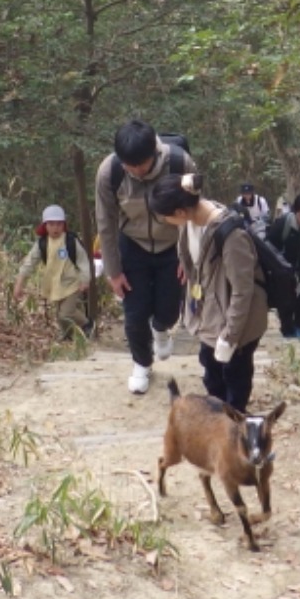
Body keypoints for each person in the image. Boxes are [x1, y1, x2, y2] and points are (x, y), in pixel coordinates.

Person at [150, 174, 268, 412]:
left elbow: (242, 291)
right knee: (212, 378)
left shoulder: (231, 235)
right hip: (209, 316)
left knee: (234, 381)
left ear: (181, 211)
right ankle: (217, 430)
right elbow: (193, 258)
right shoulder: (190, 223)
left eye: (166, 215)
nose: (165, 220)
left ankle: (236, 435)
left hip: (236, 324)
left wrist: (230, 335)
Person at [95, 119, 197, 395]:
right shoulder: (110, 172)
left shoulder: (180, 164)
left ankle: (161, 328)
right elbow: (105, 222)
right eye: (131, 166)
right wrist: (113, 271)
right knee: (134, 314)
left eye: (142, 164)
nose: (137, 171)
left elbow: (195, 215)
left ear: (154, 151)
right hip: (133, 245)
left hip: (172, 245)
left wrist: (189, 259)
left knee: (168, 309)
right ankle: (142, 364)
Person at [12, 205, 90, 337]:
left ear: (63, 225)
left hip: (72, 284)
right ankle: (69, 335)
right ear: (45, 226)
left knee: (66, 313)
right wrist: (19, 284)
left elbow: (83, 261)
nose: (55, 228)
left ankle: (87, 325)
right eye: (52, 224)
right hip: (55, 284)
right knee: (60, 316)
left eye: (59, 224)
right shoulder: (42, 243)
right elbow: (29, 263)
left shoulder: (71, 241)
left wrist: (85, 280)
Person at [265, 194, 300, 339]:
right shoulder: (283, 224)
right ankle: (287, 329)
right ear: (294, 213)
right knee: (285, 300)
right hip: (284, 270)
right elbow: (269, 246)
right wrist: (276, 267)